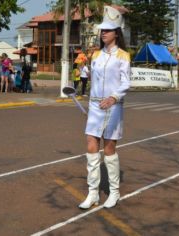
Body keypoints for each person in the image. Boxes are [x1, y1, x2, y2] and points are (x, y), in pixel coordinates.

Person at [78, 6, 130, 209]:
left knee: (109, 148)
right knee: (91, 146)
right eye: (102, 30)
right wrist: (84, 73)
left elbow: (126, 82)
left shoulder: (123, 56)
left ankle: (114, 193)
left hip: (113, 106)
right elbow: (94, 78)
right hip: (95, 106)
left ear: (116, 33)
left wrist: (114, 97)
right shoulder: (96, 55)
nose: (103, 33)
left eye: (107, 30)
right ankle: (93, 194)